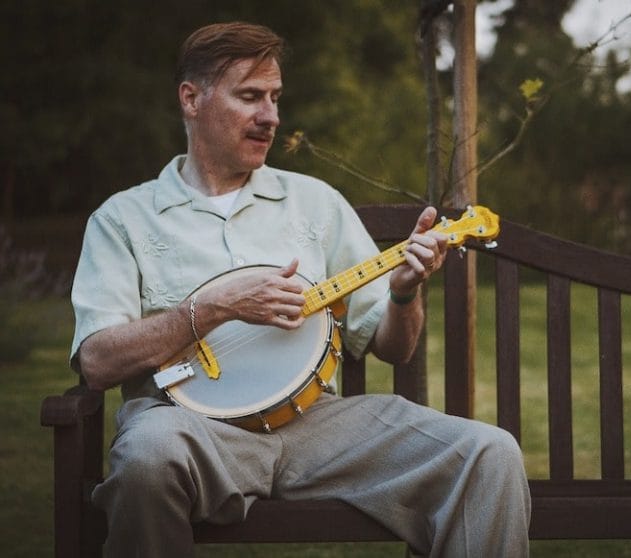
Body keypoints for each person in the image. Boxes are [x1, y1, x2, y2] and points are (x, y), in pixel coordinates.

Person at [69, 21, 530, 557]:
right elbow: (97, 363)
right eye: (250, 97)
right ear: (191, 100)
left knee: (488, 454)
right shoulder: (124, 219)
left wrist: (404, 291)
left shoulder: (315, 203)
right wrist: (212, 308)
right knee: (146, 458)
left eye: (275, 98)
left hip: (320, 427)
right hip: (190, 430)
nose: (270, 117)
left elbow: (393, 345)